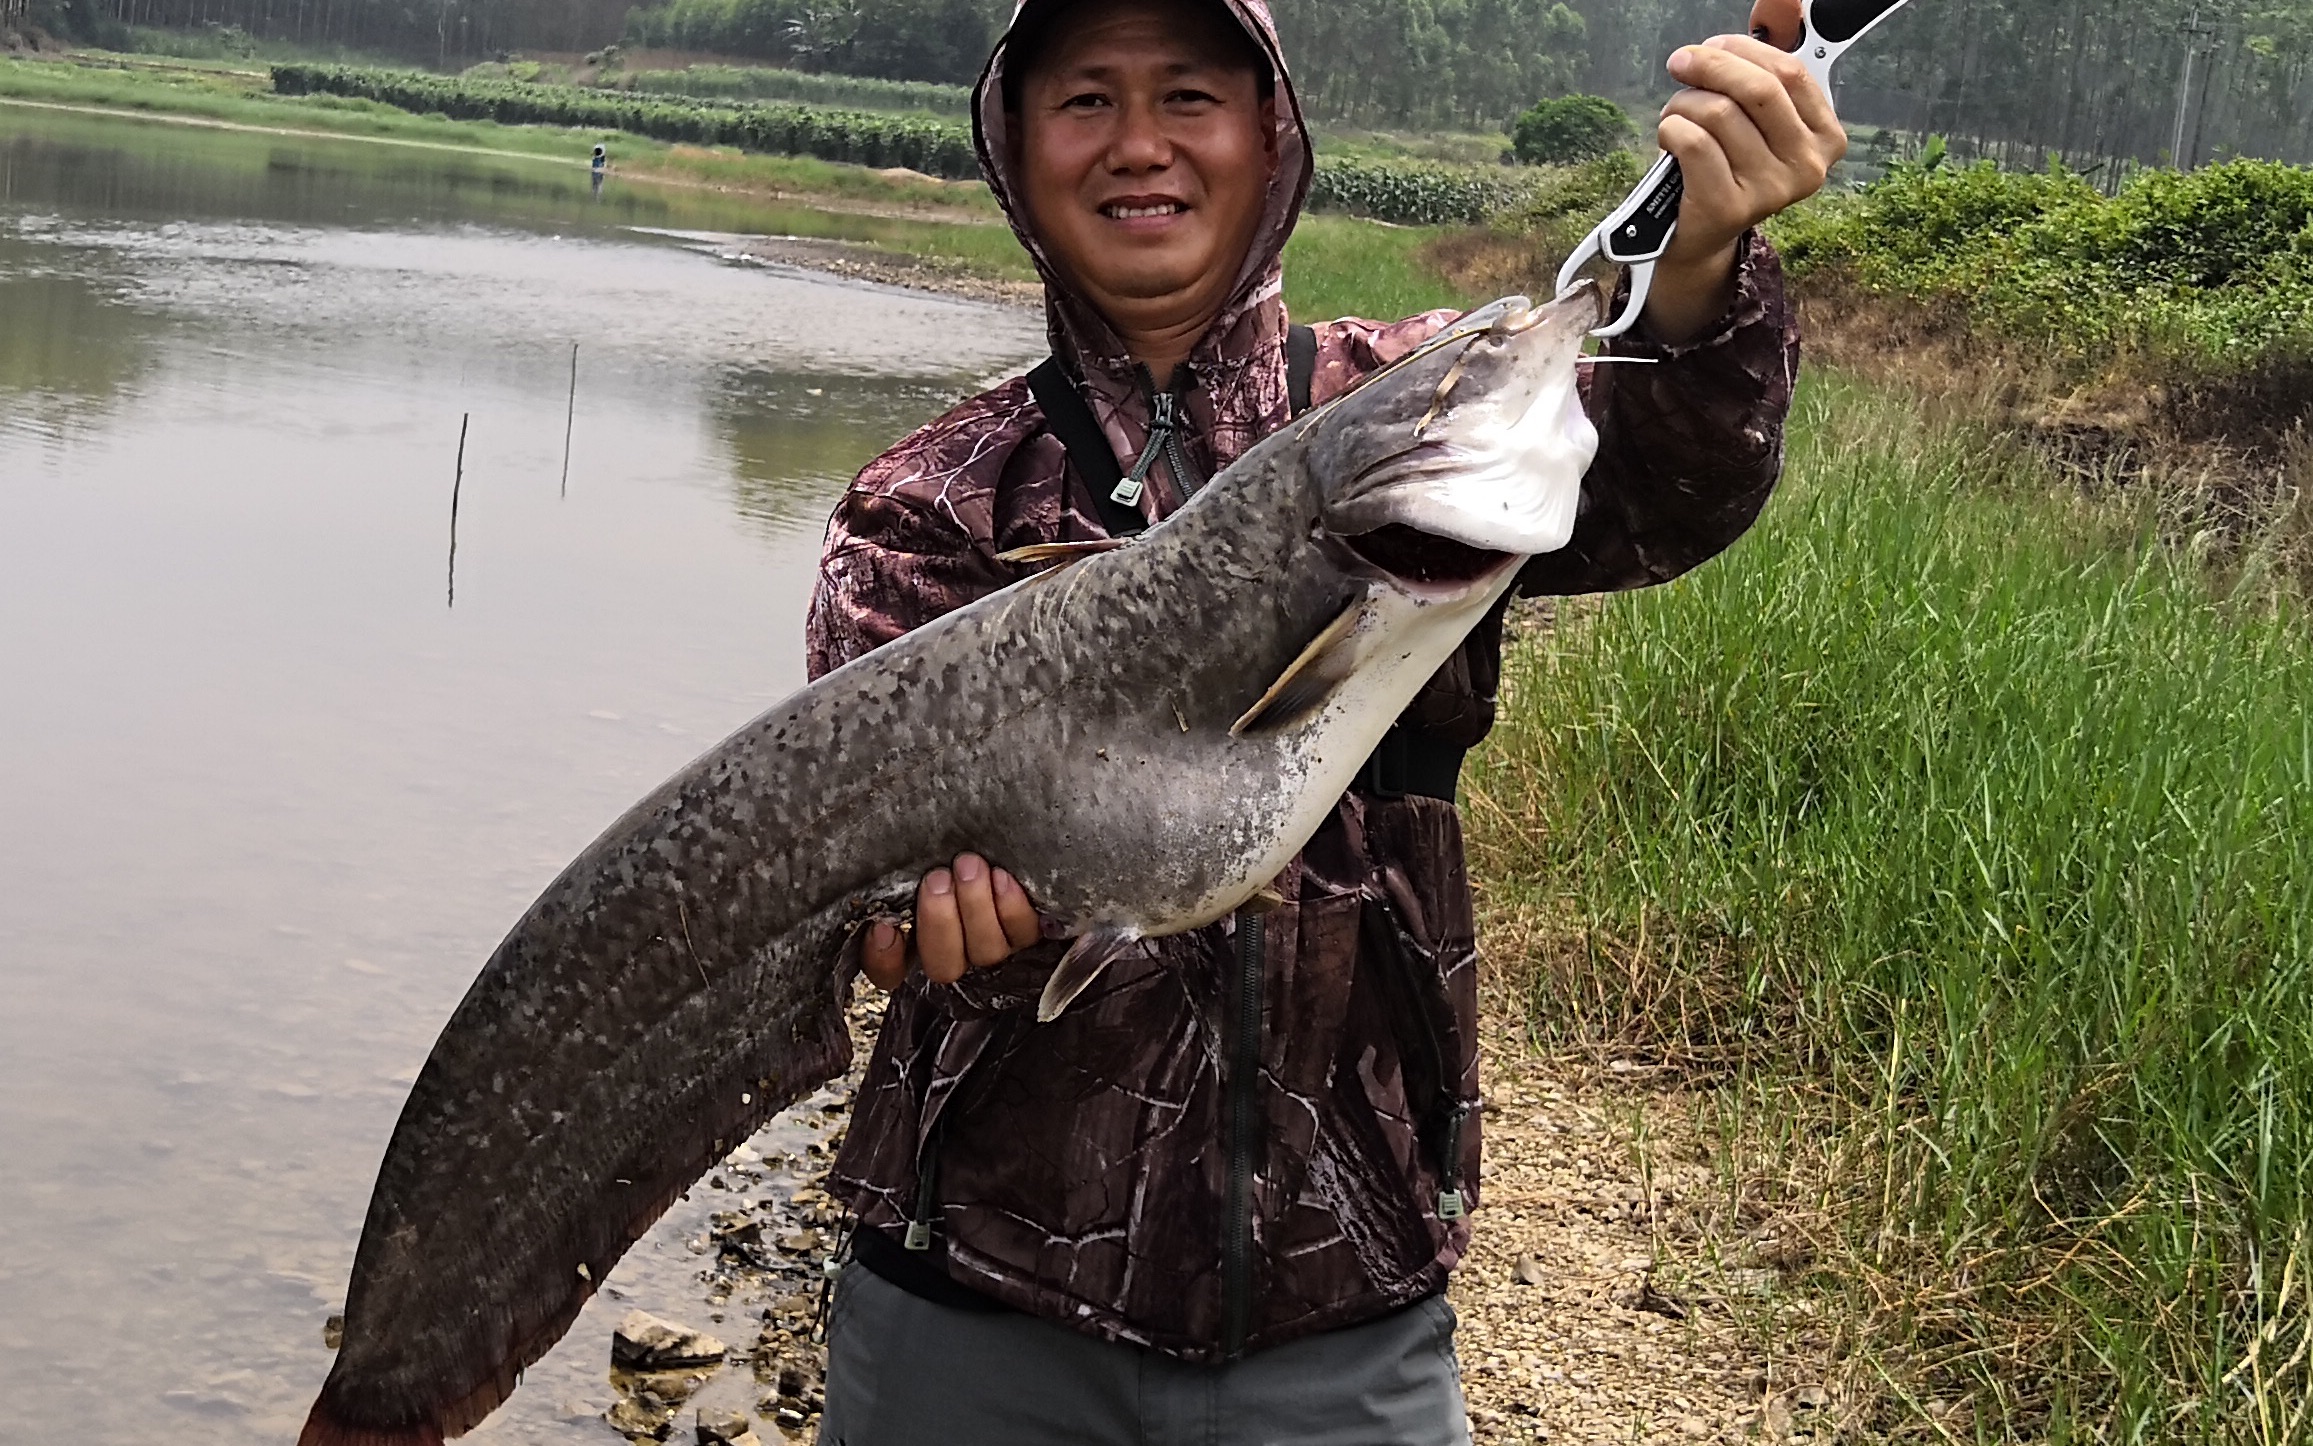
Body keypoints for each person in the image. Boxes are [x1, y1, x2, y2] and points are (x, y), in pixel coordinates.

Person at [803, 1, 1840, 1441]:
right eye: (1084, 101)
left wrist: (1700, 266)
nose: (1140, 144)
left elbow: (1666, 481)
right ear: (1018, 148)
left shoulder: (1409, 402)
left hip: (1340, 1307)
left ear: (1269, 132)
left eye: (1188, 96)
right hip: (967, 1306)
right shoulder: (933, 498)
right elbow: (864, 889)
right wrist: (942, 938)